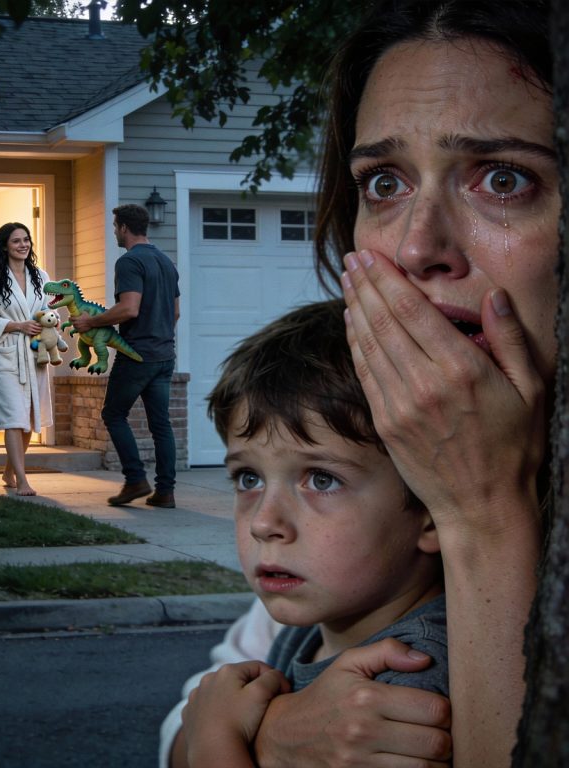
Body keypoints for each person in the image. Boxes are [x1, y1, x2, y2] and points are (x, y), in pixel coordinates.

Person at [160, 1, 556, 766]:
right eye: (384, 183)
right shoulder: (375, 434)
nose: (417, 246)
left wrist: (482, 509)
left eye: (502, 179)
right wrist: (273, 732)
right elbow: (198, 707)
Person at [178, 301, 448, 767]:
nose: (264, 523)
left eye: (321, 480)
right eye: (249, 479)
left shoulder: (410, 678)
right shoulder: (313, 632)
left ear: (432, 510)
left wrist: (214, 740)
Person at [72, 204, 181, 508]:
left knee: (113, 414)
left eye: (115, 227)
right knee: (161, 424)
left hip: (137, 356)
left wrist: (90, 322)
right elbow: (175, 312)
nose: (114, 233)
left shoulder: (130, 262)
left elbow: (129, 308)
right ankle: (165, 492)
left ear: (123, 228)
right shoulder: (166, 261)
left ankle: (135, 479)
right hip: (164, 355)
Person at [0, 222, 53, 497]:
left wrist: (47, 330)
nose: (23, 245)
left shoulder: (41, 277)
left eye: (26, 240)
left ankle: (8, 471)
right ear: (5, 245)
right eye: (16, 241)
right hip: (6, 355)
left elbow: (48, 312)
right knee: (13, 419)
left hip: (33, 354)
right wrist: (18, 326)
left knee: (31, 417)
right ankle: (22, 479)